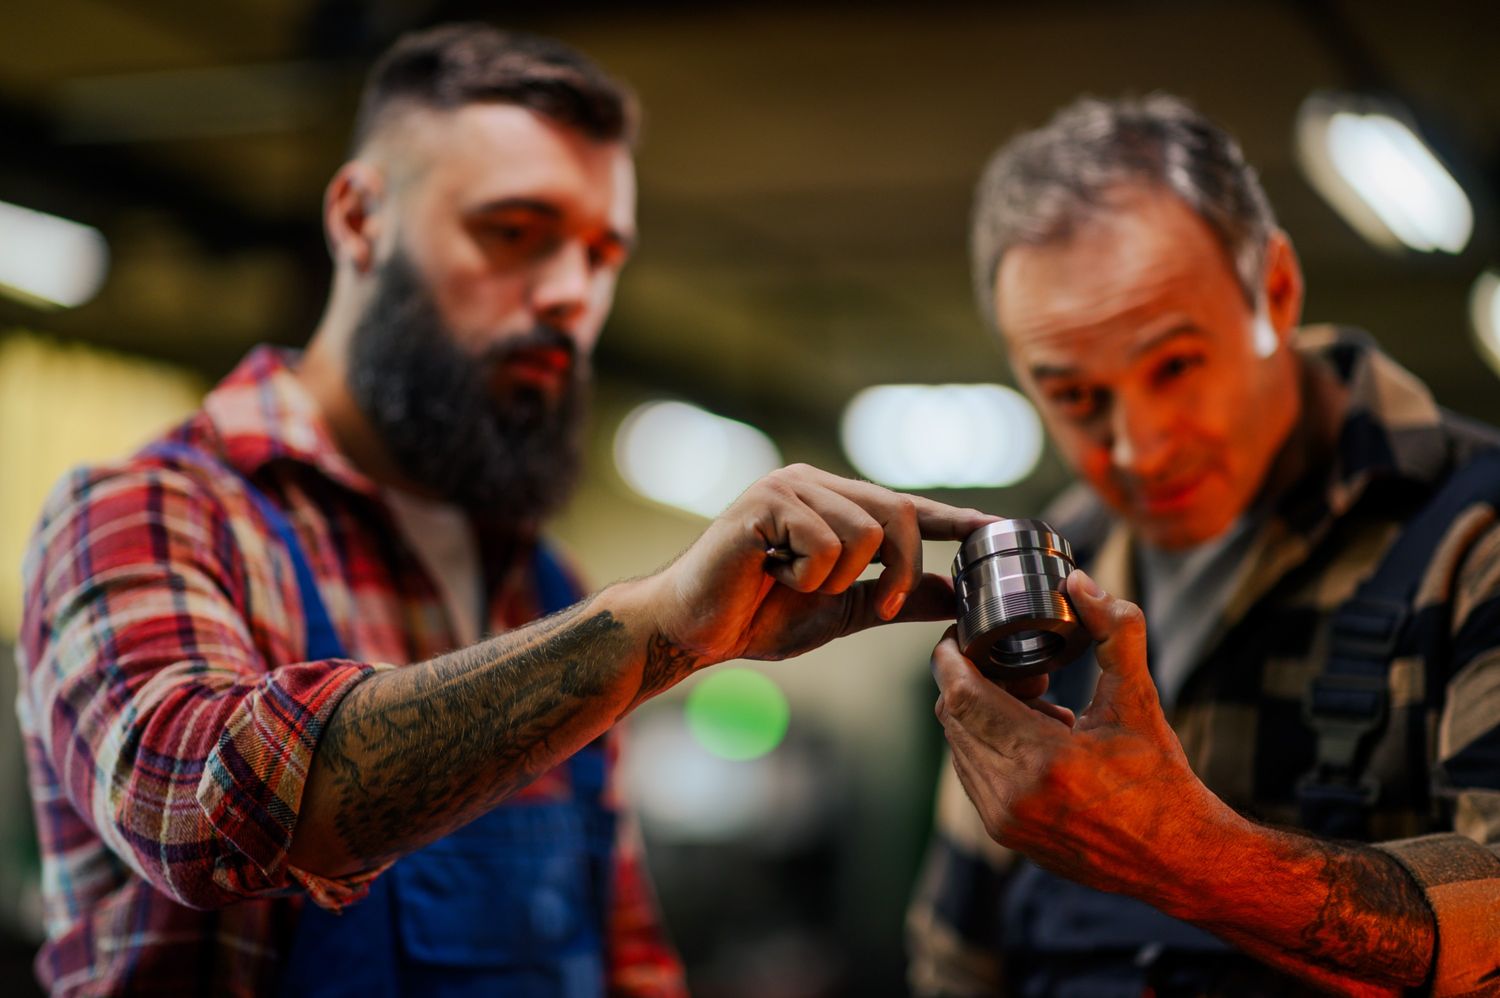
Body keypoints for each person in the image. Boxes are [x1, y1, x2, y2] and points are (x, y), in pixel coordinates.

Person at [15, 23, 996, 997]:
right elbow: (195, 810)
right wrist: (656, 629)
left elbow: (620, 950)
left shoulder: (542, 581)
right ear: (360, 218)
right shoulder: (148, 511)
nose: (571, 293)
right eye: (513, 232)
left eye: (601, 254)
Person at [907, 94, 1500, 996]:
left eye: (1177, 366)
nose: (1139, 449)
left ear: (1276, 294)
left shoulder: (1473, 534)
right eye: (1075, 397)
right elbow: (955, 959)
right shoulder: (1049, 572)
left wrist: (1187, 856)